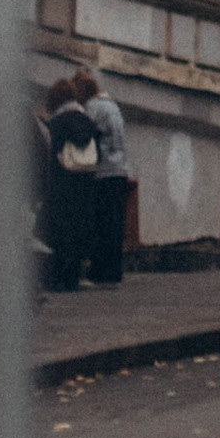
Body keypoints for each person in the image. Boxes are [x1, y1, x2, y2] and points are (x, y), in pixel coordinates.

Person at [73, 63, 134, 285]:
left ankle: (101, 273)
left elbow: (87, 136)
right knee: (114, 226)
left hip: (103, 171)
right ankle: (113, 273)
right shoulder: (112, 106)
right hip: (120, 169)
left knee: (101, 225)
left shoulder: (93, 108)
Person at [42, 75, 103, 292]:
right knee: (78, 229)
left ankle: (58, 278)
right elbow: (99, 151)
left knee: (61, 231)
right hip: (85, 182)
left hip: (63, 183)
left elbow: (51, 152)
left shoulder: (57, 123)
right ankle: (73, 278)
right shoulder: (87, 121)